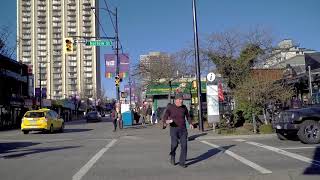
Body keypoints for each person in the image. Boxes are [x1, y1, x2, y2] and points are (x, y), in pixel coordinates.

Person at [162, 93, 194, 168]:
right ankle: (172, 155)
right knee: (174, 144)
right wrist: (165, 121)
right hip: (174, 129)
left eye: (182, 100)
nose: (181, 101)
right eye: (180, 99)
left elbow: (188, 116)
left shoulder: (184, 107)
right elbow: (165, 116)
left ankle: (182, 162)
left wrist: (190, 123)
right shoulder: (170, 107)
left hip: (183, 129)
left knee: (184, 145)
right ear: (175, 100)